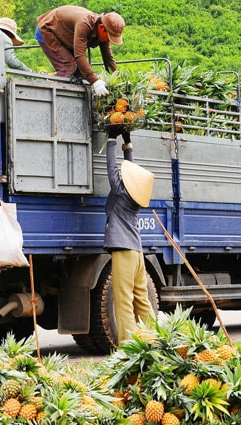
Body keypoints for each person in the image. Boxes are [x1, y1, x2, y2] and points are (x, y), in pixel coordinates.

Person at [104, 126, 156, 344]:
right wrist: (128, 144)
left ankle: (127, 346)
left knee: (124, 300)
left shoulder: (120, 191)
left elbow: (111, 167)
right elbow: (131, 173)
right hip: (136, 253)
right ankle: (154, 339)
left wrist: (110, 139)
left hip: (123, 252)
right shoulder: (134, 197)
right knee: (142, 299)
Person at [35, 5, 124, 97]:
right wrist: (95, 81)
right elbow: (79, 55)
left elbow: (108, 58)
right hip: (49, 31)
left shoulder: (104, 30)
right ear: (101, 28)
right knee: (68, 66)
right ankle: (57, 100)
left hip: (66, 36)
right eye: (110, 38)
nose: (109, 40)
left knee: (82, 74)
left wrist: (117, 81)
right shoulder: (84, 24)